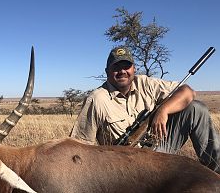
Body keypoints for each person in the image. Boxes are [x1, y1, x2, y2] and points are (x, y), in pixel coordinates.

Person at [70, 46, 220, 174]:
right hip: (121, 167)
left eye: (126, 66)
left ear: (134, 69)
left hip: (156, 150)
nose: (122, 71)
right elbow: (79, 146)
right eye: (116, 67)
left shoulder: (145, 83)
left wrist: (163, 110)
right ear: (107, 71)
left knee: (196, 108)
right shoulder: (96, 99)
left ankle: (217, 170)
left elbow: (188, 92)